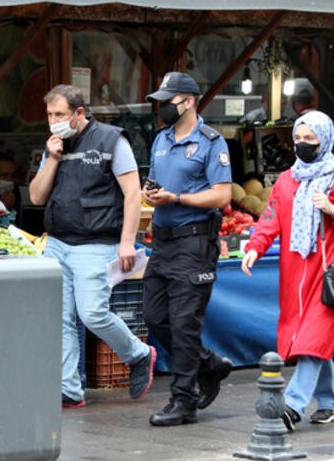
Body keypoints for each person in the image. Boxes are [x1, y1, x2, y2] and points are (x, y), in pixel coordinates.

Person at [29, 84, 156, 408]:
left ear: (79, 113)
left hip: (96, 243)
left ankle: (139, 353)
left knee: (92, 313)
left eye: (60, 114)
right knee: (60, 318)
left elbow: (132, 193)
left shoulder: (112, 140)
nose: (53, 121)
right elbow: (36, 196)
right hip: (58, 242)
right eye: (49, 115)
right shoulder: (53, 146)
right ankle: (69, 389)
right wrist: (53, 158)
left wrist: (127, 242)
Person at [241, 111, 334, 432]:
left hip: (329, 273)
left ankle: (293, 406)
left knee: (313, 337)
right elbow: (270, 218)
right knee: (310, 340)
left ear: (324, 139)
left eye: (309, 139)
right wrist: (255, 246)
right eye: (297, 139)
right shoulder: (287, 180)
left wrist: (333, 209)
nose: (302, 145)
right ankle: (330, 402)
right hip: (295, 275)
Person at [141, 72, 233, 426]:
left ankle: (184, 401)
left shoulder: (211, 143)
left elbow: (222, 195)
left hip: (195, 242)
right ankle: (208, 363)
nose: (165, 107)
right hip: (162, 242)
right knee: (154, 316)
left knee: (183, 323)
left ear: (190, 101)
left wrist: (177, 197)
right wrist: (152, 193)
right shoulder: (161, 139)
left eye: (171, 100)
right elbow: (156, 181)